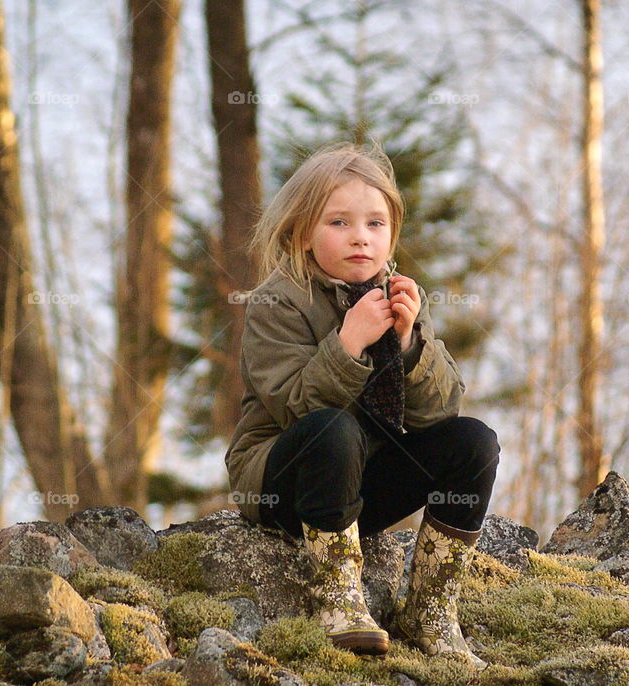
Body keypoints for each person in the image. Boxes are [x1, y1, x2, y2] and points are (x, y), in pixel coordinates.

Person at [224, 140, 500, 668]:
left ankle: (431, 611)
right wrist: (347, 345)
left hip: (365, 484)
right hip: (287, 483)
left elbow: (438, 414)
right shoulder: (277, 301)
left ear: (392, 235)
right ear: (302, 233)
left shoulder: (398, 297)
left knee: (475, 442)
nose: (360, 238)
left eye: (376, 224)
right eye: (339, 223)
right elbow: (294, 411)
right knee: (335, 431)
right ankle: (338, 601)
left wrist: (410, 341)